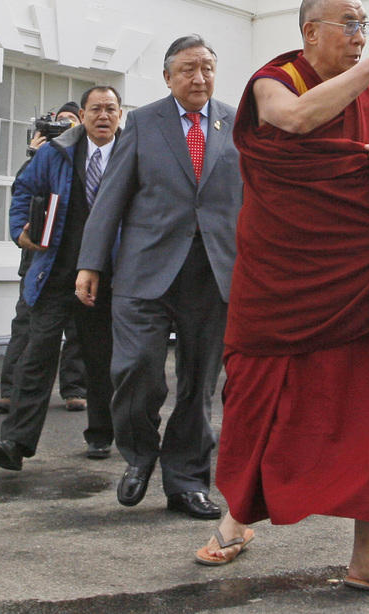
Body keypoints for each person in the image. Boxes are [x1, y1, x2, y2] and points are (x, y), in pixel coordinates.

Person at [199, 0, 369, 600]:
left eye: (365, 22)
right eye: (349, 22)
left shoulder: (368, 92)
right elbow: (294, 119)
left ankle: (368, 557)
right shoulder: (273, 79)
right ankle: (237, 519)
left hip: (355, 283)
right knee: (262, 398)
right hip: (281, 277)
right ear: (311, 30)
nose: (360, 32)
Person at [75, 35, 242, 521]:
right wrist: (91, 263)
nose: (200, 78)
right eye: (188, 69)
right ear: (168, 77)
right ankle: (140, 452)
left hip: (212, 272)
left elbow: (254, 199)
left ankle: (187, 480)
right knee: (135, 371)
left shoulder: (236, 123)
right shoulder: (144, 122)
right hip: (145, 269)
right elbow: (111, 196)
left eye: (207, 67)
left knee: (199, 383)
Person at [0, 87, 122, 470]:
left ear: (120, 113)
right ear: (83, 113)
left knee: (100, 360)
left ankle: (100, 434)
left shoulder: (133, 154)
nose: (103, 116)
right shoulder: (54, 152)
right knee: (36, 355)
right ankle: (14, 442)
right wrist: (19, 230)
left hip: (107, 277)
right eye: (96, 109)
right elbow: (24, 190)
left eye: (111, 108)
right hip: (55, 272)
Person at [0, 102, 87, 415]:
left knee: (77, 329)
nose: (65, 127)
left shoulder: (86, 156)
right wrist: (33, 155)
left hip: (75, 260)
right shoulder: (43, 157)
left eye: (71, 121)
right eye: (59, 122)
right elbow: (23, 191)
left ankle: (75, 389)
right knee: (26, 326)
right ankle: (11, 390)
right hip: (37, 261)